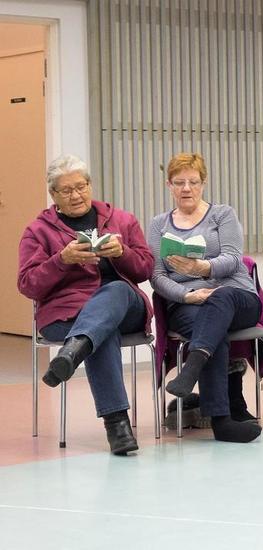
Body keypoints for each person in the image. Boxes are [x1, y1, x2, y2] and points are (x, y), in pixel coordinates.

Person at [17, 154, 154, 456]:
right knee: (101, 332)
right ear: (53, 194)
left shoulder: (122, 220)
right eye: (66, 190)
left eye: (81, 187)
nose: (76, 195)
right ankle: (118, 426)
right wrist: (61, 260)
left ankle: (73, 350)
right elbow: (27, 284)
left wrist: (122, 253)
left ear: (90, 185)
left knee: (116, 289)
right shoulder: (38, 231)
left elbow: (145, 269)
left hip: (125, 307)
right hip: (66, 314)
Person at [148, 153, 263, 444]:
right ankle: (222, 422)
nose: (186, 188)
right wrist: (187, 295)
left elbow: (234, 259)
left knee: (221, 299)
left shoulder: (223, 214)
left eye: (193, 182)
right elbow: (157, 276)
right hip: (188, 304)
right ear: (169, 185)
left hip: (237, 296)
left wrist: (202, 268)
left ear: (204, 183)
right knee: (213, 331)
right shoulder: (158, 225)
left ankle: (192, 368)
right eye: (179, 182)